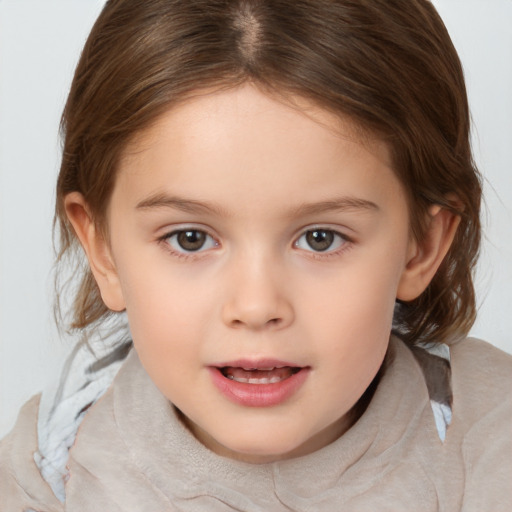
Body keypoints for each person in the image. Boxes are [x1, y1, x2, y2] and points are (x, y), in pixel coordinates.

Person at [1, 0, 511, 510]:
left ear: (420, 246)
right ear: (103, 249)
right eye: (190, 239)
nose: (256, 305)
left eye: (320, 238)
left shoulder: (491, 448)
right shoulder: (53, 466)